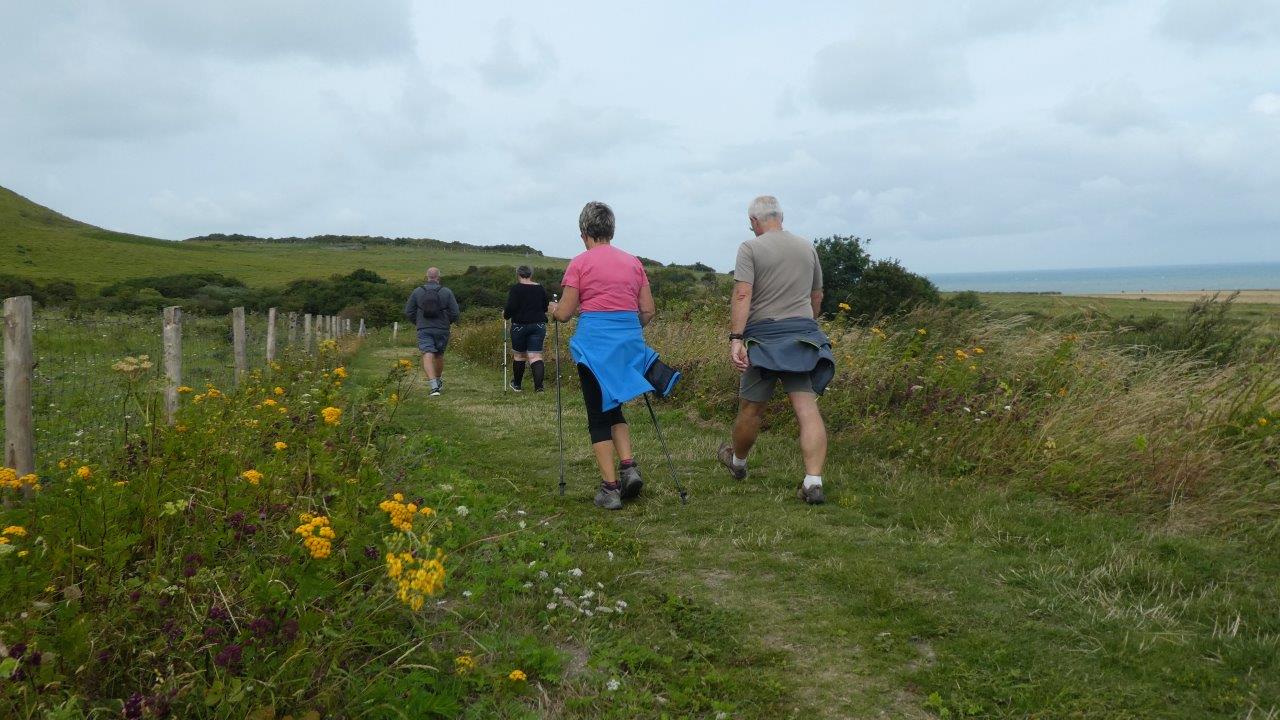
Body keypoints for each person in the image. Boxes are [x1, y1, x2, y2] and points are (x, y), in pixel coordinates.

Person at [550, 201, 671, 510]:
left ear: (584, 233)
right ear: (611, 230)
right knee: (614, 405)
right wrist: (627, 329)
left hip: (593, 347)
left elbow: (564, 314)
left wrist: (552, 309)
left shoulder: (579, 263)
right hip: (628, 345)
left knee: (597, 414)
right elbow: (648, 310)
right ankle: (628, 466)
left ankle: (610, 488)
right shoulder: (634, 263)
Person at [718, 196, 835, 504]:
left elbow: (743, 294)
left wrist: (736, 338)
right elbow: (817, 296)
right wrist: (805, 324)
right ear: (780, 218)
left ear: (755, 221)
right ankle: (813, 482)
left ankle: (738, 462)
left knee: (751, 408)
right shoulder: (806, 247)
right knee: (807, 409)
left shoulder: (750, 248)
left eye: (751, 224)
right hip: (802, 339)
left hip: (764, 341)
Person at [403, 267, 460, 396]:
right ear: (438, 277)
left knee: (427, 353)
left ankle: (434, 386)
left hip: (424, 328)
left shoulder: (417, 292)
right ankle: (438, 381)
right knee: (439, 355)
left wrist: (418, 322)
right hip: (442, 328)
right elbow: (455, 312)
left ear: (427, 276)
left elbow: (408, 311)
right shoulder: (446, 292)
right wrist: (447, 322)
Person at [502, 265, 550, 392]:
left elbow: (511, 307)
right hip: (538, 324)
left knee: (520, 356)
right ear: (531, 274)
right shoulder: (540, 288)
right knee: (535, 356)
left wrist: (505, 315)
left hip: (520, 325)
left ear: (518, 274)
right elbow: (545, 307)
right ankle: (539, 387)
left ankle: (517, 384)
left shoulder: (516, 289)